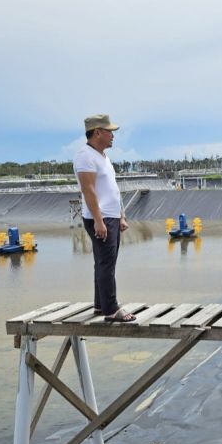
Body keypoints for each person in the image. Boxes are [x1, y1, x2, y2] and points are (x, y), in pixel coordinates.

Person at [74, 114, 136, 323]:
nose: (113, 136)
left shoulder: (103, 157)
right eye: (110, 131)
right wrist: (99, 220)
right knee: (106, 263)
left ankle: (101, 305)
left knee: (104, 262)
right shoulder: (85, 156)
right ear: (97, 132)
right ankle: (111, 310)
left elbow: (112, 189)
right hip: (99, 218)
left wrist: (121, 215)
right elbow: (88, 189)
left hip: (111, 216)